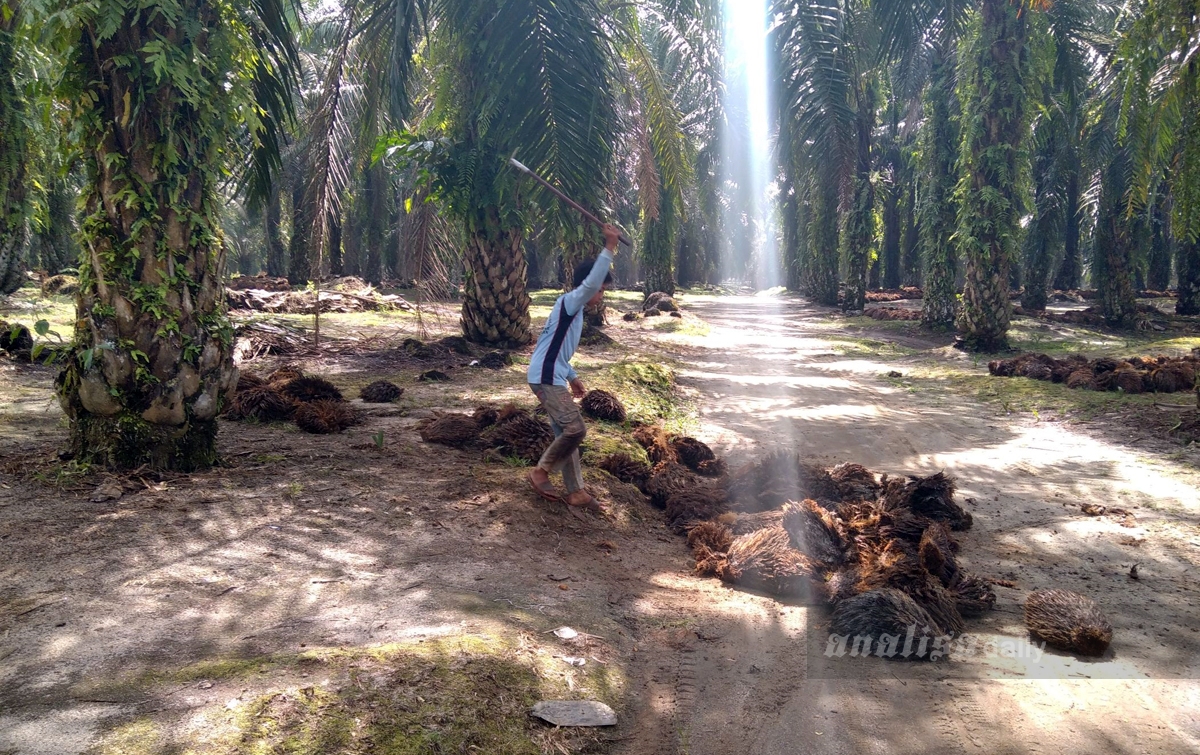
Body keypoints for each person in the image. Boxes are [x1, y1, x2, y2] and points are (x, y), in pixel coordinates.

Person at [526, 223, 621, 510]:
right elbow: (591, 284)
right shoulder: (570, 301)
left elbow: (558, 351)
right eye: (602, 290)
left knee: (564, 433)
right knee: (575, 429)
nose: (600, 295)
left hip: (551, 374)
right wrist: (610, 246)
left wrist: (572, 376)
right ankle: (540, 471)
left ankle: (576, 492)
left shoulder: (573, 312)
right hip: (545, 378)